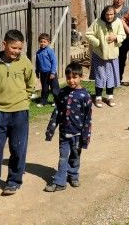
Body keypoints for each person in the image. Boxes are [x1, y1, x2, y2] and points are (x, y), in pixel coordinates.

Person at [0, 29, 36, 198]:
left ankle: (13, 181)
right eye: (14, 48)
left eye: (20, 49)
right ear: (4, 45)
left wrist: (23, 100)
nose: (17, 52)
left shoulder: (25, 63)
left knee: (18, 148)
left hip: (20, 112)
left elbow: (31, 83)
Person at [44, 61, 92, 192]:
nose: (71, 80)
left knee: (75, 156)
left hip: (78, 134)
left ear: (81, 77)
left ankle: (73, 175)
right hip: (64, 133)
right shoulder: (62, 93)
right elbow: (57, 112)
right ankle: (60, 181)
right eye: (68, 77)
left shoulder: (85, 96)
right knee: (63, 156)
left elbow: (88, 118)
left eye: (74, 77)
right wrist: (50, 130)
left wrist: (86, 136)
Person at [85, 5, 126, 108]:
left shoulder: (118, 22)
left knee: (111, 76)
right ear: (104, 14)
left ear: (114, 14)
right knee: (100, 76)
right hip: (99, 54)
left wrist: (116, 37)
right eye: (107, 14)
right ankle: (98, 97)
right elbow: (88, 34)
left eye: (111, 14)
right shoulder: (98, 22)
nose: (109, 16)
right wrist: (97, 42)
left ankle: (110, 96)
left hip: (113, 55)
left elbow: (123, 35)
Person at [35, 33, 60, 107]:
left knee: (54, 88)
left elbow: (54, 62)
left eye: (44, 42)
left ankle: (57, 101)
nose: (42, 43)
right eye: (41, 41)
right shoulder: (38, 52)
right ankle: (43, 101)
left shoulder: (49, 51)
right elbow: (37, 63)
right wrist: (37, 71)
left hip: (51, 73)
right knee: (44, 88)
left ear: (48, 42)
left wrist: (52, 72)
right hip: (43, 73)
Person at [112, 0, 129, 83]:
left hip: (124, 38)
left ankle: (118, 78)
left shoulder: (127, 10)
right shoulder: (110, 9)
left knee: (122, 58)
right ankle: (111, 78)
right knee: (111, 58)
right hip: (112, 39)